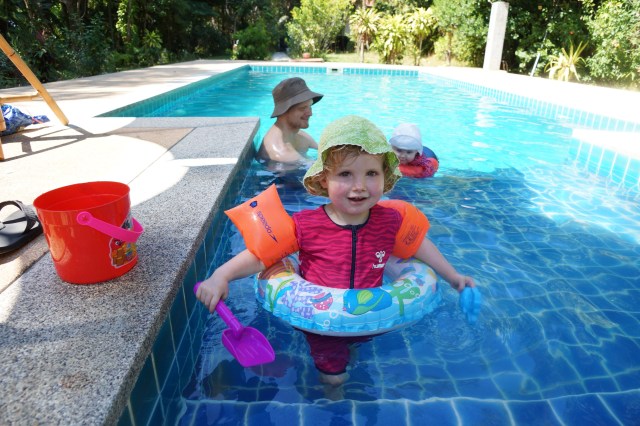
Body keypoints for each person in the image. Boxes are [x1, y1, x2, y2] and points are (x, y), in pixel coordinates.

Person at [196, 115, 474, 396]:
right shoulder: (306, 225)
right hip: (321, 324)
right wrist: (221, 275)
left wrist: (453, 277)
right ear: (324, 179)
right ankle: (332, 400)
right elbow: (262, 256)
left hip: (372, 314)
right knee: (335, 379)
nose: (359, 186)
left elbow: (419, 246)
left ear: (385, 177)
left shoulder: (390, 221)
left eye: (371, 174)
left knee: (356, 351)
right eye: (345, 174)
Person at [256, 77, 323, 165]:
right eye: (302, 108)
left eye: (310, 107)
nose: (310, 113)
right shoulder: (281, 153)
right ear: (283, 111)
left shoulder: (300, 135)